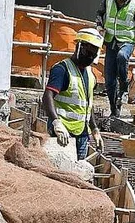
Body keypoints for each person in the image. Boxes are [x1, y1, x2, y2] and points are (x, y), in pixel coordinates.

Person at [42, 28, 104, 160]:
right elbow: (47, 96)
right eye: (88, 52)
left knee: (78, 171)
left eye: (94, 54)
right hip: (63, 133)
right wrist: (56, 123)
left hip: (82, 134)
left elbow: (88, 105)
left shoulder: (90, 74)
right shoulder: (62, 69)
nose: (90, 57)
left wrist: (94, 129)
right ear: (79, 46)